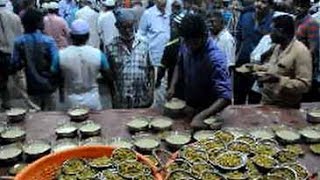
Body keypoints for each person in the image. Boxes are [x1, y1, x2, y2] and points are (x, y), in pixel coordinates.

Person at [168, 14, 232, 129]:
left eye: (195, 43)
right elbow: (179, 63)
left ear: (204, 35)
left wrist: (200, 117)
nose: (190, 47)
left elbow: (226, 97)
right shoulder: (186, 42)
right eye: (187, 42)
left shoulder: (215, 58)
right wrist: (173, 86)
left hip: (210, 112)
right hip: (190, 105)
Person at [52, 19, 113, 110]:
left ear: (71, 36)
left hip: (70, 100)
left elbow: (54, 76)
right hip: (93, 99)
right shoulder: (98, 54)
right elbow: (108, 77)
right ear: (88, 36)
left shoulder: (60, 55)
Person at [255, 15, 312, 108]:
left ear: (281, 31)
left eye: (272, 30)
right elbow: (274, 67)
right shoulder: (278, 47)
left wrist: (279, 80)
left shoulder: (301, 51)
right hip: (267, 103)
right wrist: (257, 69)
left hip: (286, 107)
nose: (270, 34)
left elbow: (304, 85)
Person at [11, 9, 59, 110]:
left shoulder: (19, 42)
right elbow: (56, 63)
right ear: (37, 23)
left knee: (35, 116)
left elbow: (15, 63)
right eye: (42, 21)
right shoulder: (48, 41)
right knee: (51, 115)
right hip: (48, 85)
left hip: (31, 85)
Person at [106, 9, 153, 108]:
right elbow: (110, 76)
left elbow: (151, 70)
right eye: (124, 27)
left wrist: (151, 93)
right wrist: (113, 97)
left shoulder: (144, 44)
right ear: (117, 26)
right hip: (122, 100)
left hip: (142, 99)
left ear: (134, 24)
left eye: (130, 26)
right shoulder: (111, 47)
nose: (127, 30)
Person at [234, 0, 273, 104]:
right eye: (257, 0)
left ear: (270, 5)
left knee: (255, 100)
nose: (258, 4)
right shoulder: (245, 16)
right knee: (238, 98)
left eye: (264, 2)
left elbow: (274, 46)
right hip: (242, 63)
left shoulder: (273, 21)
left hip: (260, 68)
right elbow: (238, 37)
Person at [294, 0, 320, 102]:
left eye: (302, 6)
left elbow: (313, 48)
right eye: (297, 5)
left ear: (308, 7)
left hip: (305, 63)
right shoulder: (296, 19)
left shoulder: (311, 23)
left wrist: (303, 60)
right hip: (295, 60)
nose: (298, 8)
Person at [0, 0, 23, 109]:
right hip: (13, 54)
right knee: (19, 81)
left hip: (1, 55)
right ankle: (27, 105)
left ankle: (6, 103)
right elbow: (20, 36)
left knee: (2, 83)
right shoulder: (15, 17)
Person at [138, 0, 170, 67]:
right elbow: (141, 34)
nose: (163, 2)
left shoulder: (169, 13)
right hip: (154, 57)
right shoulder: (148, 14)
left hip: (168, 56)